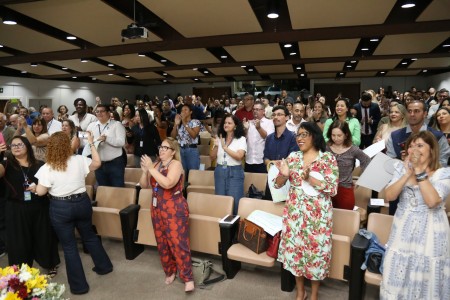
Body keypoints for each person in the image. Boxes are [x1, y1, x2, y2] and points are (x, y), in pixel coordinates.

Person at [33, 132, 113, 295]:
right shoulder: (78, 160)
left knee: (69, 247)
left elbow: (41, 192)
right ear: (67, 144)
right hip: (82, 203)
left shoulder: (47, 167)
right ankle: (104, 267)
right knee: (89, 235)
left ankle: (79, 287)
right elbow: (97, 163)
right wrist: (91, 143)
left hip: (60, 207)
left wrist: (35, 188)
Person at [380, 131, 450, 299]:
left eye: (420, 146)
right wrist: (406, 174)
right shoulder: (400, 169)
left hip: (431, 231)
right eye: (411, 146)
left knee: (426, 275)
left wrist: (419, 171)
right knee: (397, 270)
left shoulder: (443, 174)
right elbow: (389, 196)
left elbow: (433, 201)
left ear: (431, 150)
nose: (414, 150)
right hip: (403, 229)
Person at [274, 122, 338, 300]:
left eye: (304, 135)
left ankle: (315, 293)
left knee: (316, 253)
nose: (299, 138)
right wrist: (284, 175)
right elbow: (277, 184)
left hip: (318, 216)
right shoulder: (293, 157)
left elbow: (332, 189)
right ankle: (301, 291)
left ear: (314, 136)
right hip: (295, 213)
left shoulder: (327, 159)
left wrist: (311, 179)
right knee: (296, 253)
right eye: (298, 135)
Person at [139, 138, 195, 293]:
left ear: (173, 151)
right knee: (162, 242)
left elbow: (168, 183)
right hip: (157, 209)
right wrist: (145, 172)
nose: (162, 150)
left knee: (178, 243)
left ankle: (187, 277)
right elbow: (144, 185)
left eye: (166, 147)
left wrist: (151, 169)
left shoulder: (176, 164)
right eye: (161, 147)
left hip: (174, 209)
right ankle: (170, 271)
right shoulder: (155, 165)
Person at [0, 136, 60, 276]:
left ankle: (50, 263)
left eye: (20, 144)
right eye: (13, 145)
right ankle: (20, 270)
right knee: (18, 240)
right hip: (16, 208)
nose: (16, 147)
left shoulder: (40, 164)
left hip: (39, 205)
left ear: (27, 146)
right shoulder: (6, 163)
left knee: (43, 236)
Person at [326, 120, 370, 209]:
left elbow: (366, 160)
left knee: (346, 219)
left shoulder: (353, 149)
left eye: (339, 135)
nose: (336, 138)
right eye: (333, 135)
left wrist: (362, 180)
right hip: (327, 189)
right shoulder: (326, 147)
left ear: (346, 135)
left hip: (345, 190)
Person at [210, 114, 247, 214]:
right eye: (225, 123)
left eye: (229, 123)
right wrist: (217, 146)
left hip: (234, 172)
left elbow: (239, 156)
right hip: (220, 170)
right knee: (221, 201)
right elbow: (212, 157)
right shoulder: (220, 137)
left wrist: (225, 148)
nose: (226, 124)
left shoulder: (241, 139)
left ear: (235, 126)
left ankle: (233, 227)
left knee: (234, 202)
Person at [263, 105, 299, 200]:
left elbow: (292, 159)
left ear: (287, 117)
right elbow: (265, 158)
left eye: (279, 114)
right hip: (271, 179)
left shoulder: (293, 137)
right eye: (274, 115)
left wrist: (274, 163)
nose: (276, 117)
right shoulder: (269, 138)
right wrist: (272, 163)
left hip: (286, 181)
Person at [86, 104, 126, 187]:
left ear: (108, 113)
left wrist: (107, 139)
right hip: (99, 164)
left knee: (117, 189)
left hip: (115, 163)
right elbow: (86, 142)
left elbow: (121, 142)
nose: (99, 113)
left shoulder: (116, 124)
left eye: (102, 111)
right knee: (102, 189)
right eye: (97, 111)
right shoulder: (91, 126)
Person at [170, 104, 201, 181]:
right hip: (180, 149)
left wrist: (184, 122)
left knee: (193, 172)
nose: (183, 112)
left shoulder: (195, 122)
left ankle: (193, 191)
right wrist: (175, 124)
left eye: (185, 110)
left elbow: (193, 135)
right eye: (182, 110)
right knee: (181, 172)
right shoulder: (179, 123)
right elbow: (173, 137)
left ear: (191, 112)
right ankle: (182, 190)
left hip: (191, 149)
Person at [244, 102, 274, 173]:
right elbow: (244, 140)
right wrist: (245, 129)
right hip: (249, 160)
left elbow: (268, 139)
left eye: (257, 109)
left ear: (263, 111)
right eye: (253, 109)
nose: (255, 111)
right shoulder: (249, 123)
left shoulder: (269, 123)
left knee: (261, 183)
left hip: (262, 161)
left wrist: (259, 128)